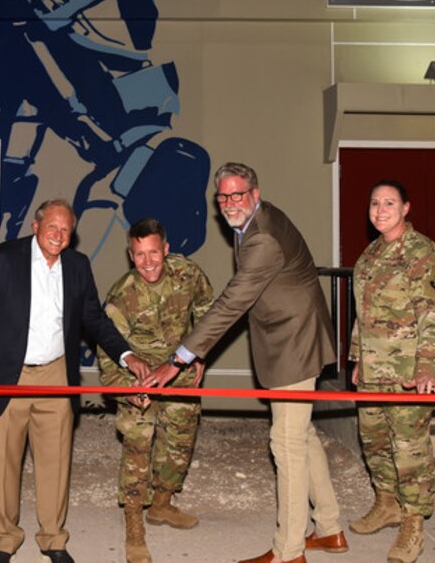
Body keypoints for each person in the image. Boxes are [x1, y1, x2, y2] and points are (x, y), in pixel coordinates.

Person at [143, 162, 346, 563]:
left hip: (294, 342)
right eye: (223, 196)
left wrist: (179, 358)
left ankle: (289, 552)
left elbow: (232, 303)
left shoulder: (263, 238)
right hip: (289, 335)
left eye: (238, 194)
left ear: (255, 193)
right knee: (301, 436)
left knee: (285, 444)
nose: (231, 203)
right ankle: (330, 527)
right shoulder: (254, 220)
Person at [0, 198, 151, 563]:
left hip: (56, 376)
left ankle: (53, 539)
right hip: (5, 376)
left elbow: (94, 320)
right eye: (52, 228)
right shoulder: (0, 260)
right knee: (2, 465)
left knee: (55, 462)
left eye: (66, 231)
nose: (58, 236)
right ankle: (4, 540)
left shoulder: (77, 266)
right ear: (36, 226)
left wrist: (127, 355)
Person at [98, 218, 214, 563]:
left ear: (165, 249)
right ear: (130, 255)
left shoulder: (188, 273)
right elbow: (108, 354)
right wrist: (127, 391)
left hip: (178, 372)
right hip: (140, 378)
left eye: (153, 253)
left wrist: (199, 351)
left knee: (179, 442)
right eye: (139, 255)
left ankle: (162, 505)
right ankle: (134, 522)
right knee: (138, 446)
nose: (147, 262)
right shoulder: (122, 297)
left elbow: (209, 309)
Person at [348, 180, 435, 563]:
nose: (380, 210)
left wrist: (430, 368)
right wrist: (359, 357)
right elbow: (363, 313)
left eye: (389, 203)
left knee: (409, 449)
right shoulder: (370, 255)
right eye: (375, 203)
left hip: (408, 372)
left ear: (406, 208)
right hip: (375, 371)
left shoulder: (423, 252)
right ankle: (387, 503)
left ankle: (413, 523)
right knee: (375, 442)